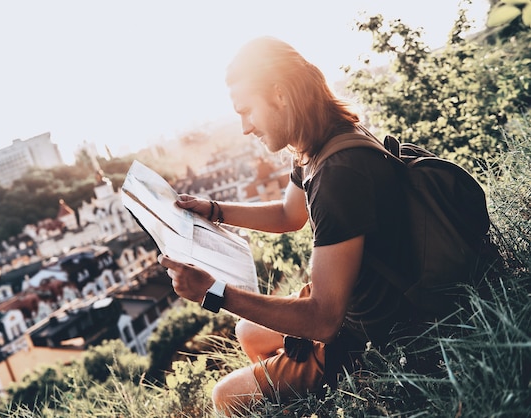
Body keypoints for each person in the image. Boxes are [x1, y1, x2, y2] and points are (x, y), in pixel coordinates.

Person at [158, 36, 418, 415]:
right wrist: (212, 209)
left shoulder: (337, 174)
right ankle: (303, 398)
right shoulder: (319, 143)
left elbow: (324, 321)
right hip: (359, 306)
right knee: (246, 331)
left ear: (279, 95)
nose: (245, 127)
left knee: (226, 396)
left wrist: (211, 292)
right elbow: (288, 216)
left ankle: (328, 387)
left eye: (247, 111)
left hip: (371, 333)